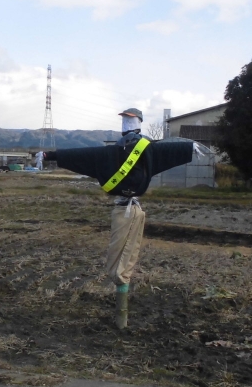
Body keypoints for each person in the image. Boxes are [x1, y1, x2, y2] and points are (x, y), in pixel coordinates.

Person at [42, 108, 199, 328]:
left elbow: (167, 151)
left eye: (130, 119)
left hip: (132, 210)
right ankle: (120, 299)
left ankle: (121, 305)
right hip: (120, 209)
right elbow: (83, 156)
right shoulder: (112, 152)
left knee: (126, 255)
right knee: (117, 254)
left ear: (139, 122)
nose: (126, 122)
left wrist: (188, 148)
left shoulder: (147, 149)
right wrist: (52, 156)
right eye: (124, 119)